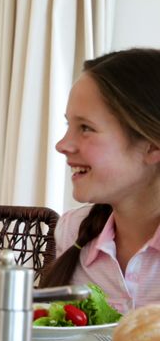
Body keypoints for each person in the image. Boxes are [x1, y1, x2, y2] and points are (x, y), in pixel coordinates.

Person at [39, 48, 160, 313]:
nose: (62, 145)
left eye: (86, 128)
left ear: (151, 146)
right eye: (68, 125)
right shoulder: (74, 230)